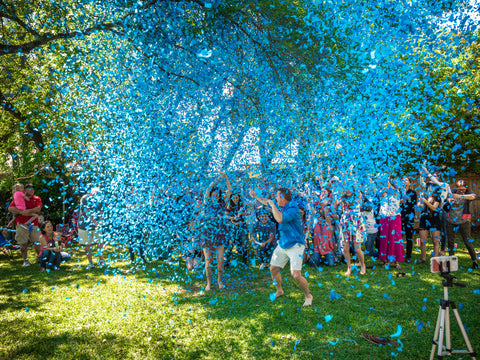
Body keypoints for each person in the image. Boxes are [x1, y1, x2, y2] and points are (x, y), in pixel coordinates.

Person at [250, 187, 313, 306]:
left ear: (283, 198)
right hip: (283, 243)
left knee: (296, 275)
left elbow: (279, 219)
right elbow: (267, 201)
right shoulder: (280, 205)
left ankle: (308, 295)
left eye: (277, 196)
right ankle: (279, 290)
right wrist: (256, 196)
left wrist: (273, 205)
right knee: (273, 269)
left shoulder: (293, 208)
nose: (275, 198)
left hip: (295, 245)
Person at [199, 173, 231, 290]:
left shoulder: (222, 203)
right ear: (211, 194)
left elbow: (229, 191)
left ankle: (219, 281)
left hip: (219, 235)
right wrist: (218, 178)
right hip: (207, 235)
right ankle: (208, 283)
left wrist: (226, 178)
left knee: (220, 260)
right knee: (208, 262)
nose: (216, 196)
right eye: (214, 194)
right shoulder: (207, 202)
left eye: (217, 195)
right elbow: (208, 188)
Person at [445, 180, 478, 269]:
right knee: (451, 242)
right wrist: (448, 199)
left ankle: (474, 261)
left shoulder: (469, 192)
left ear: (466, 188)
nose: (461, 190)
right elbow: (446, 199)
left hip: (464, 221)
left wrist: (460, 196)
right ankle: (452, 262)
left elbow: (473, 197)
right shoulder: (453, 191)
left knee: (467, 241)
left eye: (463, 188)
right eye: (459, 188)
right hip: (451, 220)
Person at [8, 183, 42, 266]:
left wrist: (27, 212)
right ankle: (25, 261)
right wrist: (21, 212)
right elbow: (10, 208)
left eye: (33, 189)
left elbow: (38, 208)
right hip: (21, 224)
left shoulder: (37, 198)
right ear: (25, 190)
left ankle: (40, 258)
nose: (32, 191)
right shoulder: (19, 197)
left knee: (37, 241)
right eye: (29, 189)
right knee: (23, 243)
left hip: (34, 224)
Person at [378, 179, 405, 269]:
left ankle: (396, 261)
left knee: (395, 238)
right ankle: (386, 261)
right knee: (385, 239)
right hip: (384, 218)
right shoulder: (382, 193)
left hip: (394, 218)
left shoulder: (396, 192)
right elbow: (379, 196)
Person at [78, 187, 106, 269]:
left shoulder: (100, 200)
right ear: (91, 194)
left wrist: (101, 222)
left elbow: (101, 212)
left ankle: (101, 260)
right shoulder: (85, 199)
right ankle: (90, 263)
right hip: (85, 226)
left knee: (100, 243)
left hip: (97, 225)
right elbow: (87, 213)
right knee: (88, 244)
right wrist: (96, 222)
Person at [417, 188, 442, 263]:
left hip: (434, 220)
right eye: (429, 188)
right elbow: (418, 207)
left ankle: (435, 259)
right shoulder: (423, 196)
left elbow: (434, 208)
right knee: (422, 241)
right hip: (424, 219)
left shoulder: (438, 197)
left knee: (435, 241)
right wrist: (419, 203)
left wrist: (425, 201)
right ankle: (423, 259)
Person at [400, 177, 417, 263]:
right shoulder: (398, 192)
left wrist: (408, 200)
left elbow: (414, 204)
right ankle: (400, 254)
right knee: (399, 236)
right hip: (399, 216)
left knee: (409, 236)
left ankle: (408, 256)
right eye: (403, 180)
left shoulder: (413, 193)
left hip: (409, 217)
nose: (404, 181)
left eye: (406, 180)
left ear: (409, 183)